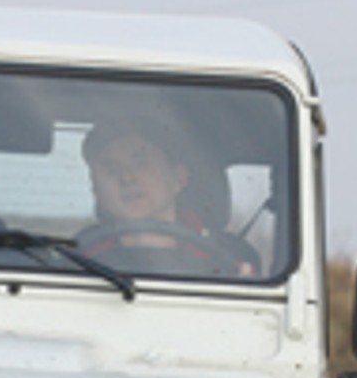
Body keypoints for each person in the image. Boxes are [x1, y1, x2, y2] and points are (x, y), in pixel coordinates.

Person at [76, 116, 258, 278]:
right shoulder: (75, 257)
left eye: (140, 162)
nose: (126, 177)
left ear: (178, 178)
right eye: (111, 168)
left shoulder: (231, 258)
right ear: (96, 189)